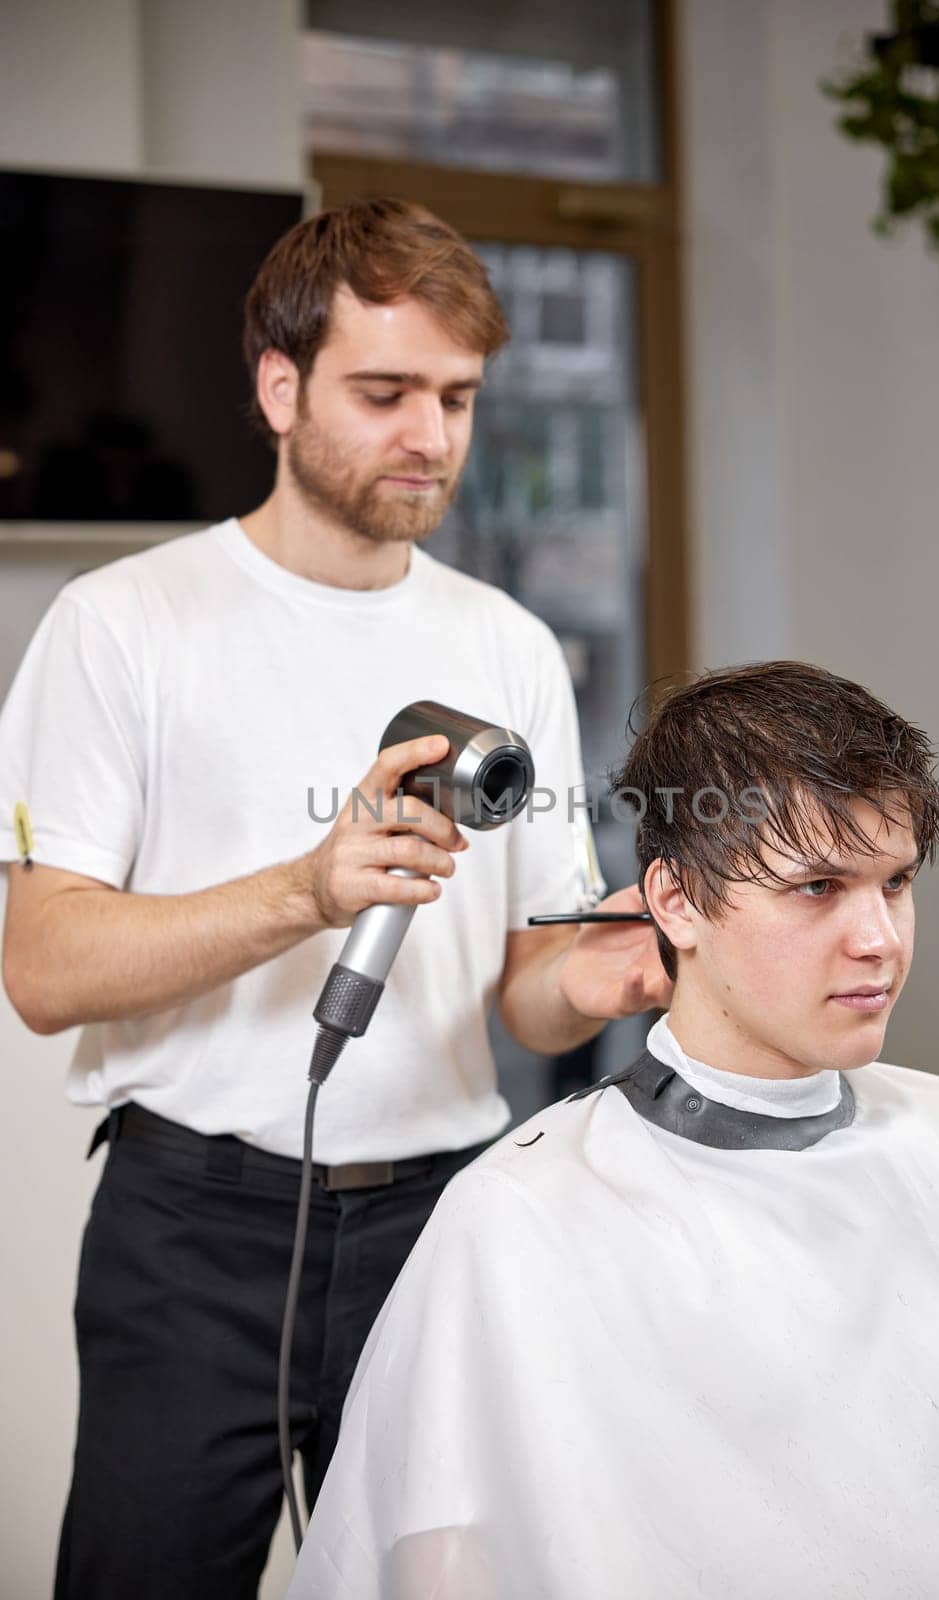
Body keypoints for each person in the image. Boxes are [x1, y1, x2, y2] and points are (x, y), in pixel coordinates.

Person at [0, 198, 670, 1600]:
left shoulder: (506, 642)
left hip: (444, 1222)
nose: (430, 436)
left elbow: (527, 986)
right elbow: (43, 967)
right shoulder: (123, 627)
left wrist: (609, 971)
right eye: (385, 393)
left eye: (457, 397)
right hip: (190, 1238)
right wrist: (305, 892)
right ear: (277, 385)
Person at [288, 661, 939, 1600]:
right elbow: (439, 1567)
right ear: (675, 903)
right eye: (817, 887)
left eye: (895, 882)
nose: (881, 939)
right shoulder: (523, 1216)